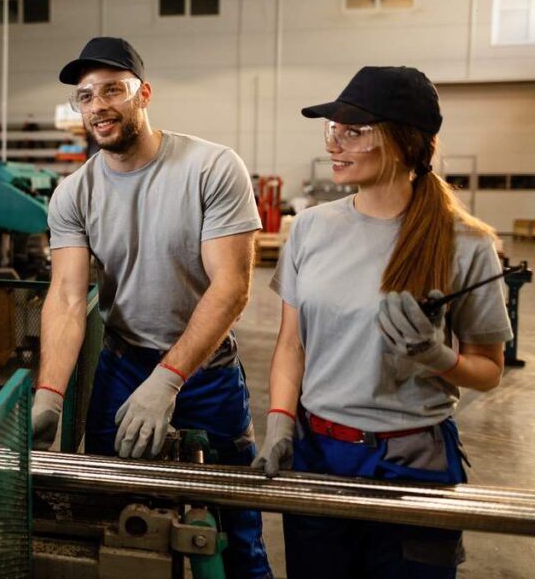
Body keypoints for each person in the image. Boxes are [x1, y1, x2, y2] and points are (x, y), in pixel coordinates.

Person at [252, 66, 513, 578]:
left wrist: (439, 359)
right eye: (334, 130)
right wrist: (281, 420)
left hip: (411, 462)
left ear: (403, 142)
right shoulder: (309, 229)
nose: (336, 143)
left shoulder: (467, 244)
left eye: (355, 130)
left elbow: (488, 369)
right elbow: (291, 345)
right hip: (319, 453)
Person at [32, 36, 272, 577]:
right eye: (85, 96)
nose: (98, 106)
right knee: (120, 532)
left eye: (112, 89)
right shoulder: (74, 192)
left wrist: (169, 379)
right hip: (122, 367)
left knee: (235, 539)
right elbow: (69, 296)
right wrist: (49, 393)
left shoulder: (211, 167)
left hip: (206, 376)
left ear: (144, 93)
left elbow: (231, 286)